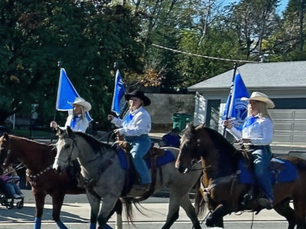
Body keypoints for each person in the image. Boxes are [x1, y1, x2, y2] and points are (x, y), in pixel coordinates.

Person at [223, 91, 275, 209]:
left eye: (254, 103)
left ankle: (269, 196)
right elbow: (241, 136)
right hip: (246, 149)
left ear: (261, 105)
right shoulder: (248, 120)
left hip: (260, 150)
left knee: (259, 169)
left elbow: (267, 140)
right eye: (250, 103)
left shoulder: (265, 121)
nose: (251, 105)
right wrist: (230, 128)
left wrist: (250, 140)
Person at [108, 90, 152, 191]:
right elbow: (123, 123)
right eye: (131, 99)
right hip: (127, 139)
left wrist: (123, 131)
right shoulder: (129, 113)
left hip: (141, 140)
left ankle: (146, 181)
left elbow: (138, 130)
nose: (132, 101)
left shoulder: (143, 114)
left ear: (141, 102)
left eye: (135, 99)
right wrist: (113, 120)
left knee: (135, 155)